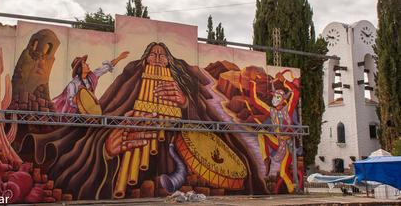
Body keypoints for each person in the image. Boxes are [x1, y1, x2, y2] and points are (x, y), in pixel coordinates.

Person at [17, 43, 267, 200]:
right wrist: (105, 148)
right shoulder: (128, 86)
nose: (157, 58)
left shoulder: (186, 88)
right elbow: (102, 117)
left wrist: (184, 104)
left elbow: (211, 122)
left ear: (170, 62)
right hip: (130, 158)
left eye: (162, 55)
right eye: (152, 55)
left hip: (179, 153)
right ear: (144, 62)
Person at [243, 69, 300, 193]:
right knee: (262, 134)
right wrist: (252, 81)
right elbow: (255, 101)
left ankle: (292, 192)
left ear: (283, 99)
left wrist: (284, 81)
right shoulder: (272, 112)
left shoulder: (288, 110)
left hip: (288, 147)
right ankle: (266, 159)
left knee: (284, 173)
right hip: (278, 143)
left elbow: (295, 92)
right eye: (274, 96)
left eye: (278, 96)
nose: (275, 98)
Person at [53, 51, 129, 113]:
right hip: (74, 113)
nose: (87, 64)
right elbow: (71, 102)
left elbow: (105, 68)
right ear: (80, 68)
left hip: (88, 112)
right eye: (85, 64)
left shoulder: (91, 76)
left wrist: (119, 58)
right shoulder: (73, 84)